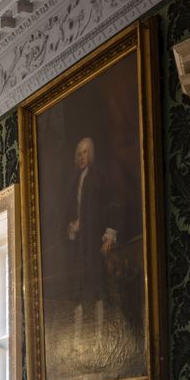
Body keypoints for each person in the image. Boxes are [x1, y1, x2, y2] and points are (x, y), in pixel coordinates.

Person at [64, 136, 127, 338]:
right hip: (80, 244)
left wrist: (110, 235)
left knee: (99, 285)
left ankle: (100, 336)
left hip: (94, 241)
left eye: (85, 152)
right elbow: (69, 213)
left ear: (91, 153)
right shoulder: (74, 181)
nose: (81, 156)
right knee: (78, 288)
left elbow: (114, 206)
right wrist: (74, 226)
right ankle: (77, 338)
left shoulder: (100, 177)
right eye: (79, 152)